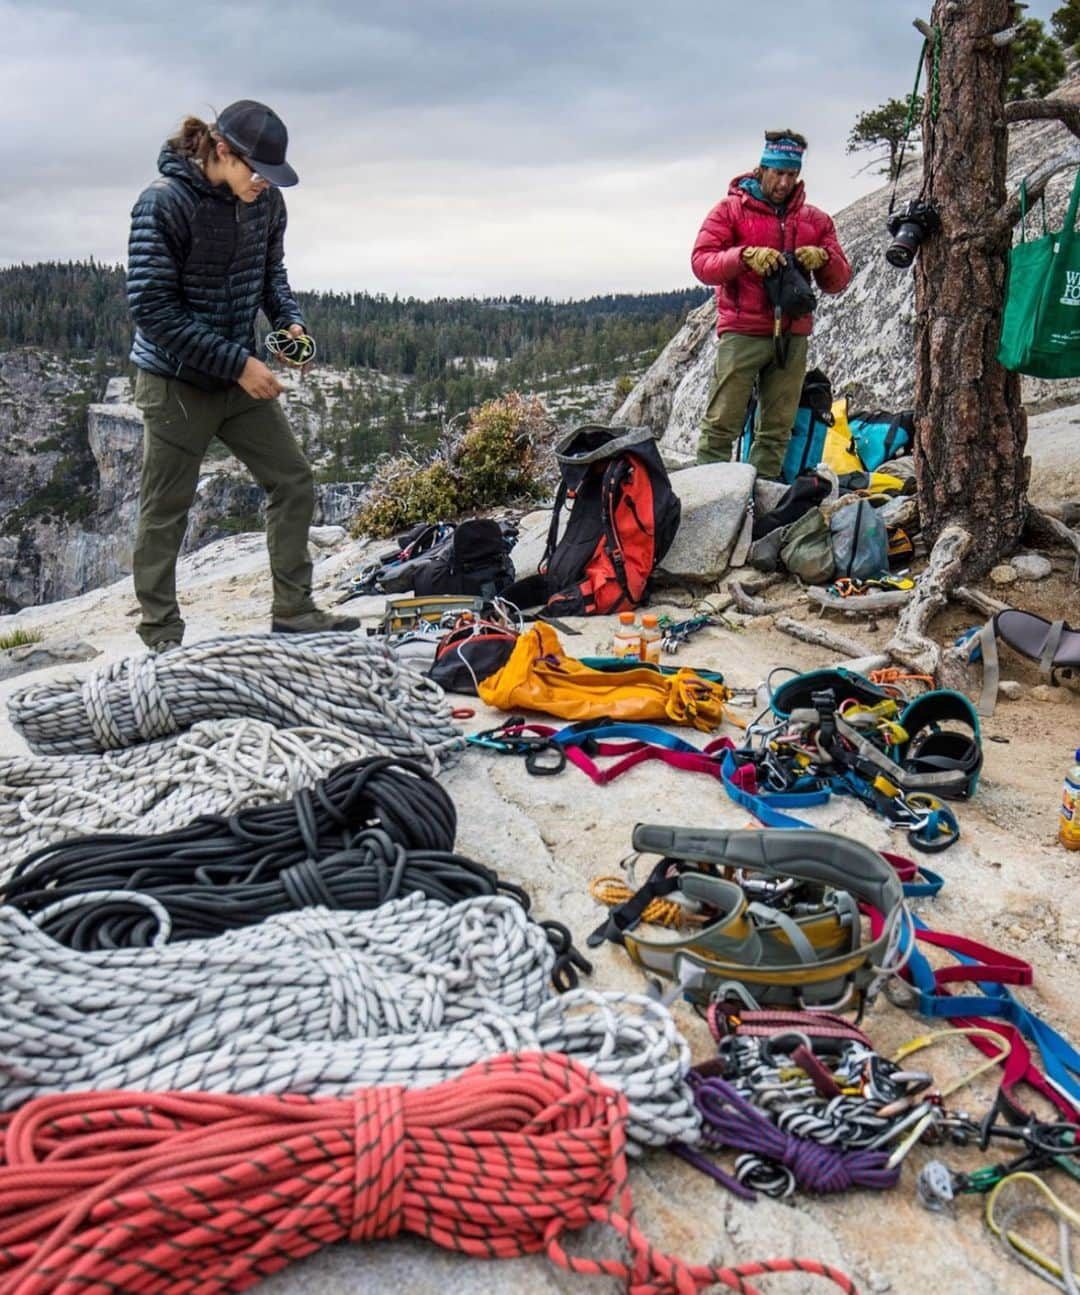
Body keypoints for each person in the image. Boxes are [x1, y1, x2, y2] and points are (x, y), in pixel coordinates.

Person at [126, 99, 359, 651]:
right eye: (256, 171)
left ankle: (294, 611)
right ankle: (161, 636)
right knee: (165, 509)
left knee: (293, 479)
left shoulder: (265, 203)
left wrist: (290, 323)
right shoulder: (162, 204)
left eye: (271, 176)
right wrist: (240, 363)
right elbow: (153, 311)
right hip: (176, 383)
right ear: (222, 151)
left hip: (238, 378)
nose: (263, 184)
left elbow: (269, 273)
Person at [691, 129, 852, 480]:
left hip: (792, 335)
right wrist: (744, 256)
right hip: (742, 331)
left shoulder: (815, 221)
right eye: (778, 173)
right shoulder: (730, 211)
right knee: (721, 423)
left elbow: (839, 280)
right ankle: (708, 501)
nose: (784, 182)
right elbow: (702, 263)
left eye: (791, 175)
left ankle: (760, 501)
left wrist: (823, 257)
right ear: (761, 168)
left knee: (777, 428)